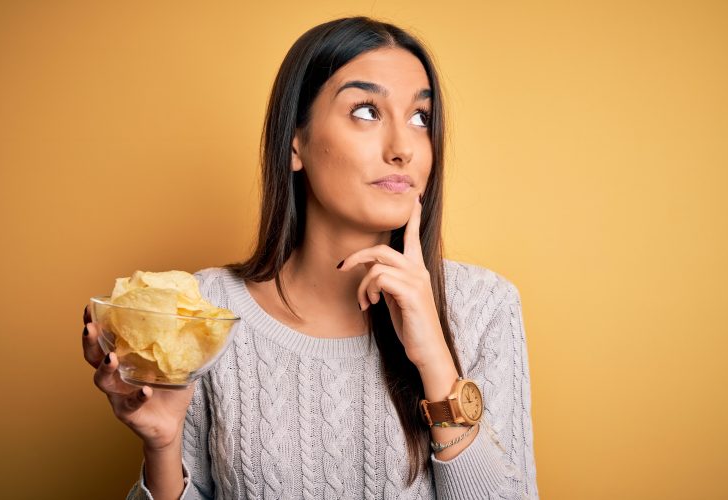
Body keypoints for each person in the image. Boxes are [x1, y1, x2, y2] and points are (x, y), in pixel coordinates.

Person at [82, 16, 539, 500]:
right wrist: (163, 445)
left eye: (421, 118)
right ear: (295, 142)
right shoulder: (208, 309)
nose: (404, 148)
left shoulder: (485, 306)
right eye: (366, 111)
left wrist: (435, 362)